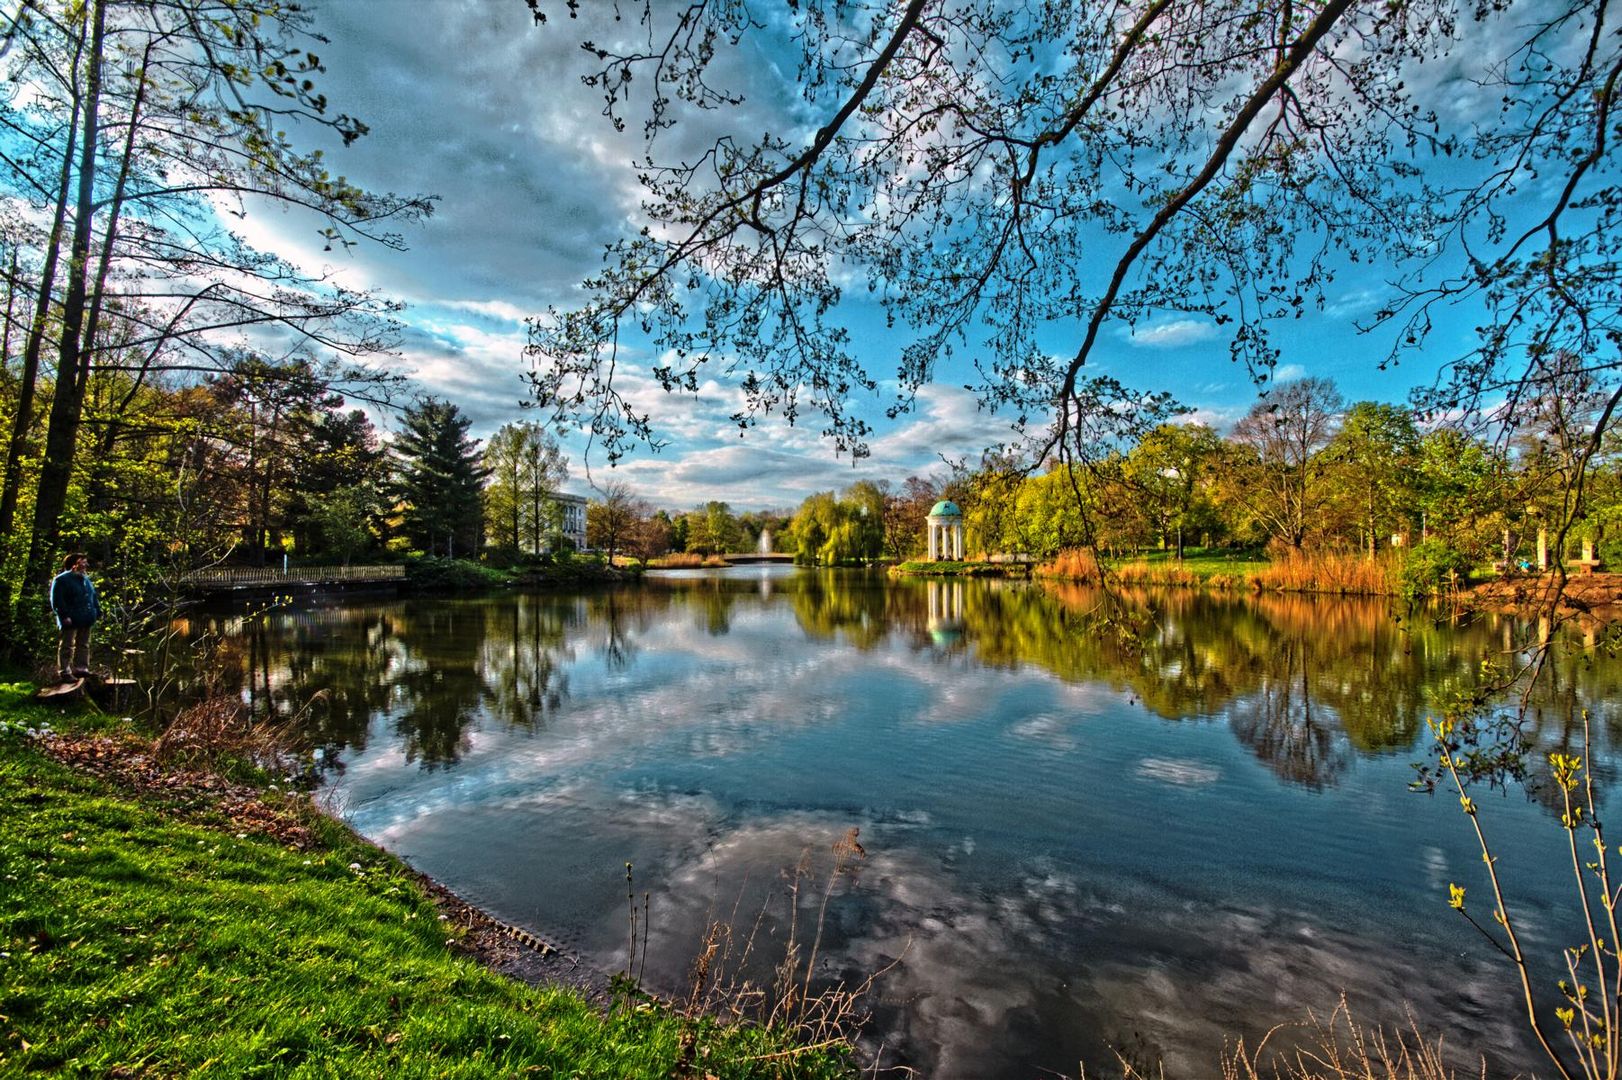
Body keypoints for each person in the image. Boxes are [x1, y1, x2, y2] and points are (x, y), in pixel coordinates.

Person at [49, 552, 100, 681]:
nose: (86, 565)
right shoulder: (61, 580)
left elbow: (92, 596)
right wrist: (64, 615)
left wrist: (97, 611)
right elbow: (57, 600)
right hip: (70, 618)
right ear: (74, 564)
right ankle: (65, 671)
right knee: (67, 645)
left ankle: (81, 669)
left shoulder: (85, 579)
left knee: (83, 644)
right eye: (83, 562)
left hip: (86, 617)